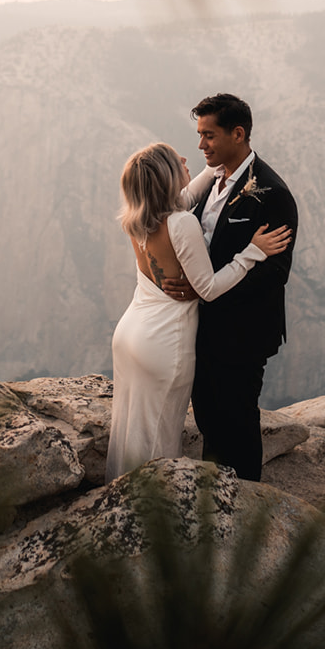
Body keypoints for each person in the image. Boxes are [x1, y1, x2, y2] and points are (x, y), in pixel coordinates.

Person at [108, 142, 292, 479]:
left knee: (130, 428)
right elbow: (207, 288)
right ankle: (151, 509)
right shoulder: (181, 223)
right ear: (165, 177)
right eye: (175, 159)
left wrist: (226, 156)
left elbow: (195, 187)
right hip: (165, 340)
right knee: (159, 435)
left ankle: (119, 495)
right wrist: (251, 252)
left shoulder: (138, 218)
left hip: (131, 333)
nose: (184, 158)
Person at [163, 93, 298, 482]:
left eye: (209, 135)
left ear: (238, 134)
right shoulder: (208, 182)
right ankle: (214, 494)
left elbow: (274, 273)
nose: (201, 144)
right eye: (200, 134)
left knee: (237, 419)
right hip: (200, 326)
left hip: (243, 332)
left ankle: (246, 503)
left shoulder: (274, 195)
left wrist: (207, 291)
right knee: (207, 415)